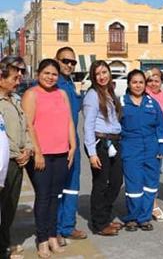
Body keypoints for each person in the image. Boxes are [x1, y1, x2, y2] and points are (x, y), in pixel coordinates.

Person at [21, 59, 76, 258]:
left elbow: (69, 121)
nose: (50, 77)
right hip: (41, 155)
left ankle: (53, 235)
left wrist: (73, 146)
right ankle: (42, 238)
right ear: (38, 73)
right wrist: (37, 152)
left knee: (55, 196)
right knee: (43, 197)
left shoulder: (62, 94)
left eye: (54, 74)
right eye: (46, 73)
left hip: (61, 153)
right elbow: (28, 125)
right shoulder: (31, 94)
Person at [119, 70, 163, 232]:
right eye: (134, 82)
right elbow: (114, 125)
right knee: (134, 185)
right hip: (131, 148)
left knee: (150, 185)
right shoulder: (122, 102)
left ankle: (145, 218)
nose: (138, 85)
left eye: (141, 82)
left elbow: (161, 127)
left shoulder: (152, 103)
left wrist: (162, 146)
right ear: (129, 84)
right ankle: (133, 218)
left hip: (151, 149)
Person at [83, 61, 124, 236]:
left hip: (113, 142)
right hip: (99, 143)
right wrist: (92, 153)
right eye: (98, 73)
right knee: (100, 184)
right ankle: (99, 224)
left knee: (116, 181)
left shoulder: (110, 92)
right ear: (93, 77)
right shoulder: (92, 95)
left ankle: (105, 217)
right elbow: (88, 125)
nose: (102, 76)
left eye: (104, 72)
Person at [53, 48, 86, 244]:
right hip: (56, 143)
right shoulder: (51, 83)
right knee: (55, 188)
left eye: (73, 62)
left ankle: (68, 226)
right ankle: (54, 229)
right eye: (65, 61)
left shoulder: (71, 83)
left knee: (72, 187)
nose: (69, 65)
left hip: (73, 142)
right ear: (56, 60)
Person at [0, 57, 31, 259]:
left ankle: (4, 243)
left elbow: (24, 129)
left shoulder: (15, 100)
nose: (18, 80)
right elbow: (3, 136)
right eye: (14, 77)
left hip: (18, 161)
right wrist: (18, 153)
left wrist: (28, 149)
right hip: (5, 162)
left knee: (10, 207)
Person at [145, 68, 163, 222]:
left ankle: (150, 202)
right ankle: (152, 205)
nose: (154, 83)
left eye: (157, 80)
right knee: (151, 172)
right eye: (151, 81)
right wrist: (150, 72)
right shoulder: (145, 95)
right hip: (151, 140)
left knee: (158, 172)